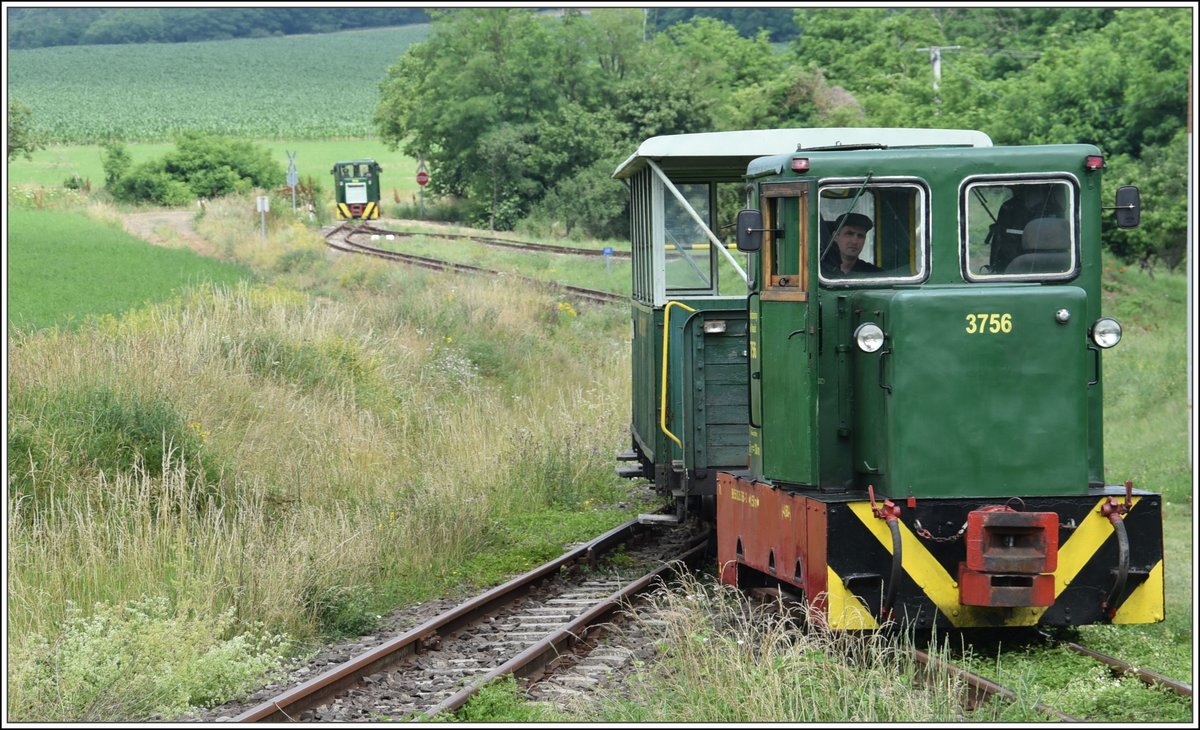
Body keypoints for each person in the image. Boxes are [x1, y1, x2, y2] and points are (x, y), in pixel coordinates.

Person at [822, 212, 882, 277]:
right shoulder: (819, 271)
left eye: (860, 236)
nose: (854, 241)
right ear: (835, 236)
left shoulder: (874, 274)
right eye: (849, 234)